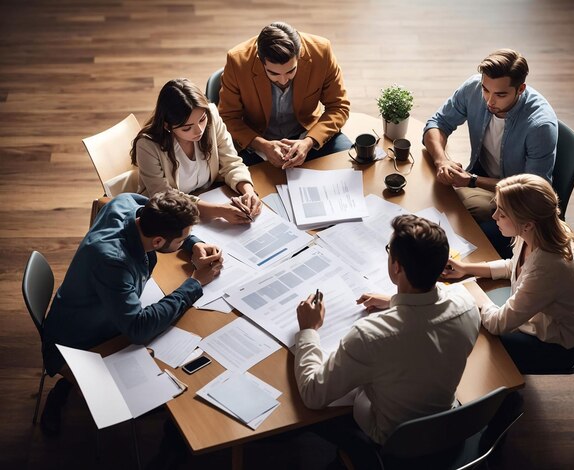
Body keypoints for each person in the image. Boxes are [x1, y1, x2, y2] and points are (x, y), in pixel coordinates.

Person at [294, 215, 480, 467]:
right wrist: (394, 300)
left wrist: (308, 330)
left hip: (392, 439)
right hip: (448, 424)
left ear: (396, 267)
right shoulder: (467, 305)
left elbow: (313, 395)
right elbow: (431, 315)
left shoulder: (369, 336)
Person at [40, 190, 224, 436]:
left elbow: (146, 207)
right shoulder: (112, 261)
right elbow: (138, 329)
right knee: (179, 388)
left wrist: (194, 243)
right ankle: (67, 388)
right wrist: (195, 283)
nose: (184, 243)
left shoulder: (126, 202)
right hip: (80, 342)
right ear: (158, 242)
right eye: (180, 240)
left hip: (106, 312)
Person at [442, 174, 574, 374]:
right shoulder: (540, 230)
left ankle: (507, 399)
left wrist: (473, 292)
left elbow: (498, 324)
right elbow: (514, 266)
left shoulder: (549, 266)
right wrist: (467, 268)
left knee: (474, 336)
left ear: (527, 224)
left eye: (502, 214)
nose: (494, 216)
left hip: (558, 345)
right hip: (542, 317)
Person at [423, 49, 558, 257]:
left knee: (448, 224)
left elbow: (531, 193)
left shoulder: (540, 127)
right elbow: (437, 123)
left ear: (521, 89)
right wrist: (442, 160)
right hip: (479, 181)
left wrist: (472, 181)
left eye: (500, 94)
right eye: (486, 90)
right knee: (436, 202)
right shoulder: (474, 87)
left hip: (515, 203)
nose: (489, 101)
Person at [218, 21, 352, 169]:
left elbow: (339, 106)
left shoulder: (322, 51)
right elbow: (228, 117)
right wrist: (262, 145)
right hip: (257, 140)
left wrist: (308, 142)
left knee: (351, 162)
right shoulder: (237, 62)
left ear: (299, 55)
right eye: (273, 73)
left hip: (308, 133)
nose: (283, 80)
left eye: (290, 71)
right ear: (260, 61)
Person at [131, 78, 262, 224]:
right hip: (171, 216)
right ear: (168, 126)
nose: (199, 130)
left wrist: (249, 192)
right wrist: (218, 210)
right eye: (186, 128)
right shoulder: (148, 145)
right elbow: (164, 196)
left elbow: (231, 162)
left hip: (209, 195)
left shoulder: (212, 115)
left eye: (202, 119)